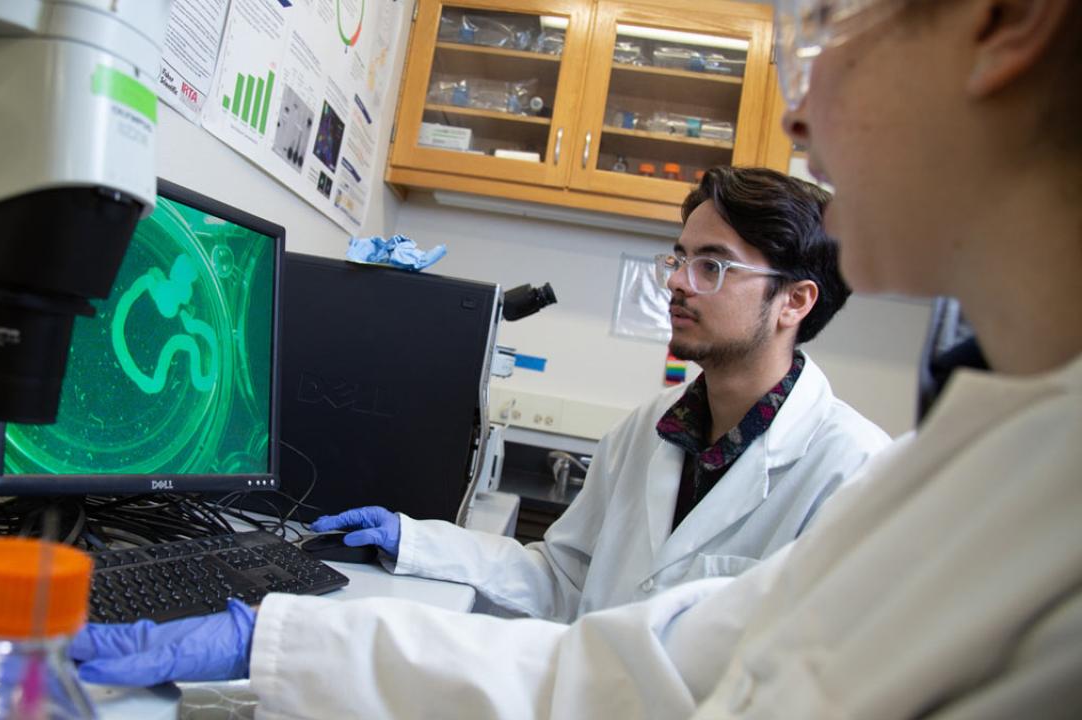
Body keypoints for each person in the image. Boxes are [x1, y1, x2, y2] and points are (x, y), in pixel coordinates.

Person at [71, 0, 1082, 716]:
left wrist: (276, 641)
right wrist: (401, 551)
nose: (799, 113)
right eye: (678, 258)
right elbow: (600, 624)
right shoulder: (677, 433)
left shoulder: (866, 474)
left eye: (827, 26)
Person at [306, 166, 889, 622]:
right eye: (681, 258)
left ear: (795, 301)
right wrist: (414, 540)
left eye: (712, 266)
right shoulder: (651, 428)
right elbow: (562, 578)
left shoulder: (852, 471)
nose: (677, 281)